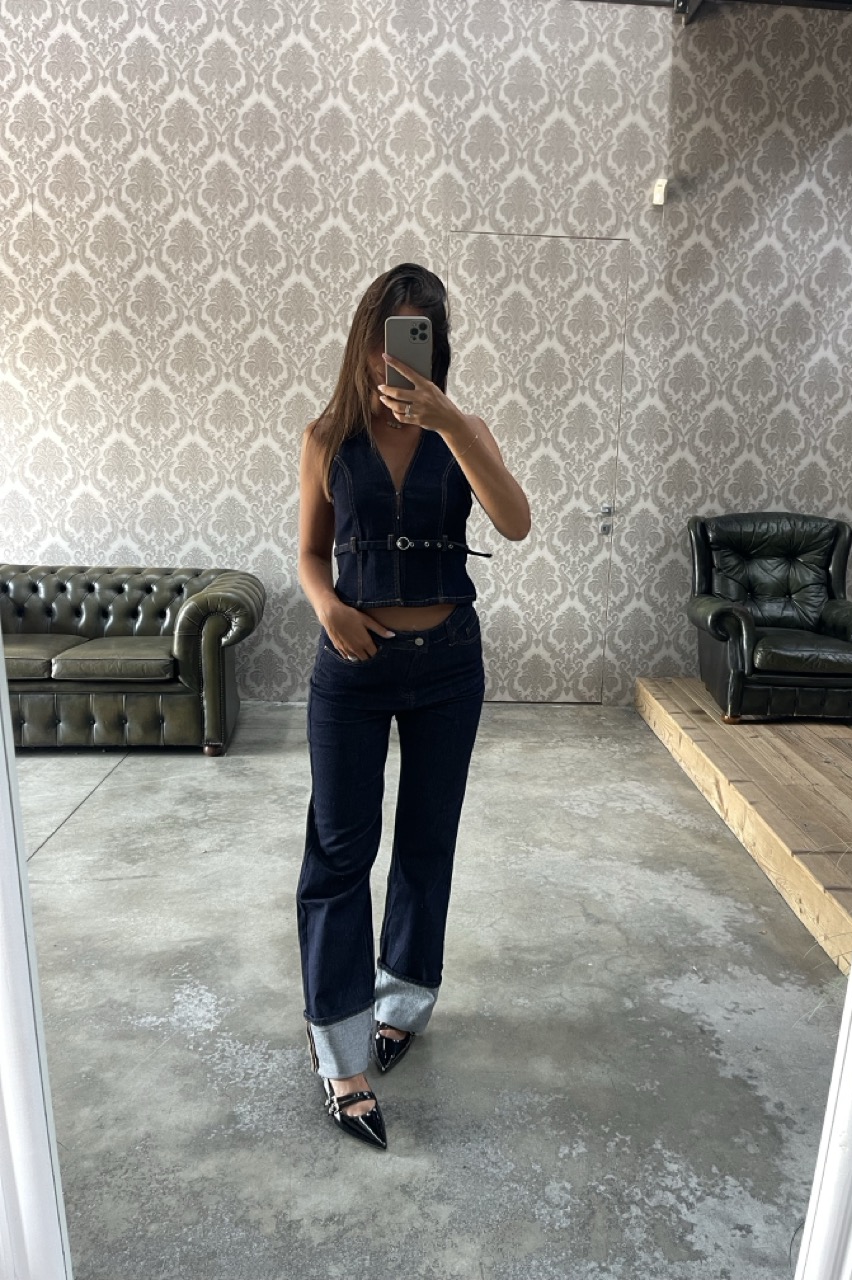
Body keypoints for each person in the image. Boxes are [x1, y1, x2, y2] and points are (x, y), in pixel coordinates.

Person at [296, 263, 531, 1149]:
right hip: (350, 672)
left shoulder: (465, 431)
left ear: (436, 347)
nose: (396, 355)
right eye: (387, 333)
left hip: (447, 668)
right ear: (365, 340)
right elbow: (311, 554)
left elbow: (515, 521)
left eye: (417, 335)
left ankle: (401, 1004)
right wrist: (327, 607)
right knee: (339, 854)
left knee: (428, 842)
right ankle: (340, 1053)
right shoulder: (326, 436)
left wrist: (452, 425)